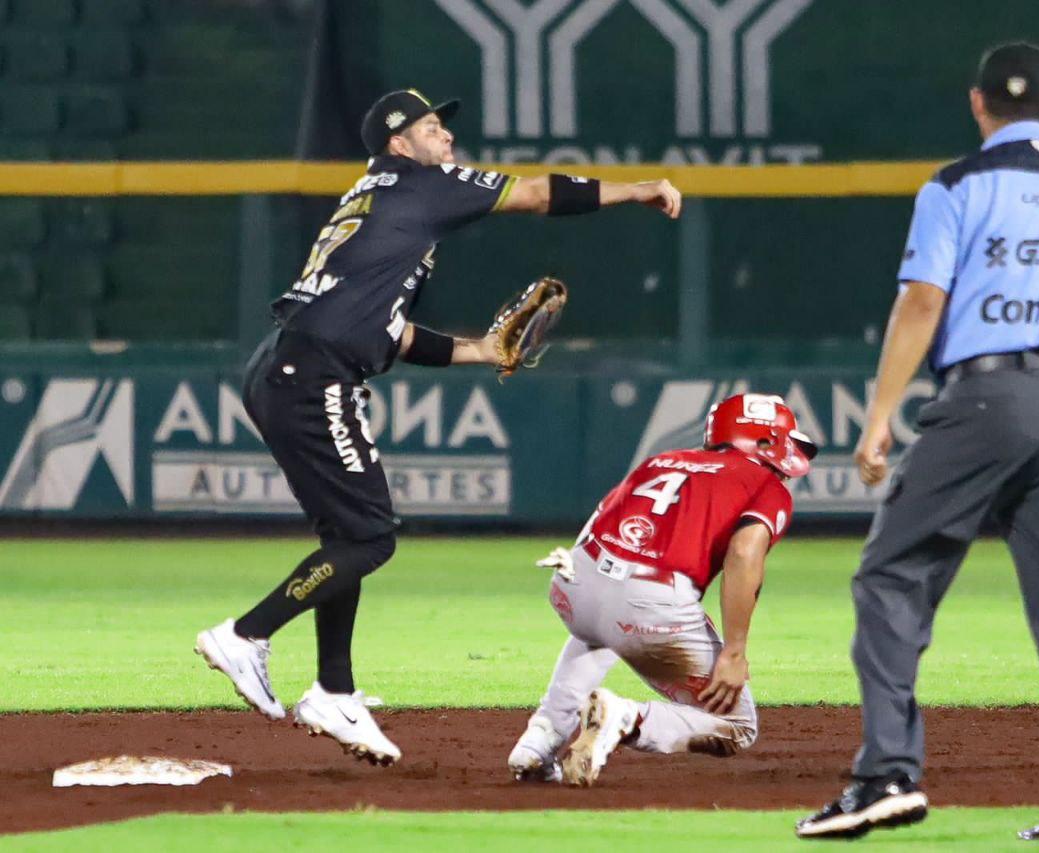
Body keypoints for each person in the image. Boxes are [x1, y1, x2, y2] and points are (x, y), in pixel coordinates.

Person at [195, 88, 682, 765]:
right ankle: (246, 633)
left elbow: (386, 330)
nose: (446, 138)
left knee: (348, 534)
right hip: (313, 374)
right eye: (431, 127)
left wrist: (477, 350)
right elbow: (540, 193)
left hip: (288, 365)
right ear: (400, 142)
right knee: (369, 538)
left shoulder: (375, 197)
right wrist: (639, 189)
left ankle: (334, 688)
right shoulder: (423, 184)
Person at [796, 44, 1039, 842]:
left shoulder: (955, 184)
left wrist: (879, 415)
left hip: (989, 397)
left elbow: (922, 301)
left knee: (892, 575)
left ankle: (886, 773)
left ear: (978, 105)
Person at [506, 393, 816, 786]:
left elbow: (598, 522)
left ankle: (540, 742)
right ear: (765, 443)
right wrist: (735, 651)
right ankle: (626, 719)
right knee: (737, 725)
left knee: (599, 631)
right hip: (651, 600)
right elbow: (743, 554)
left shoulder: (662, 460)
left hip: (575, 581)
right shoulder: (766, 485)